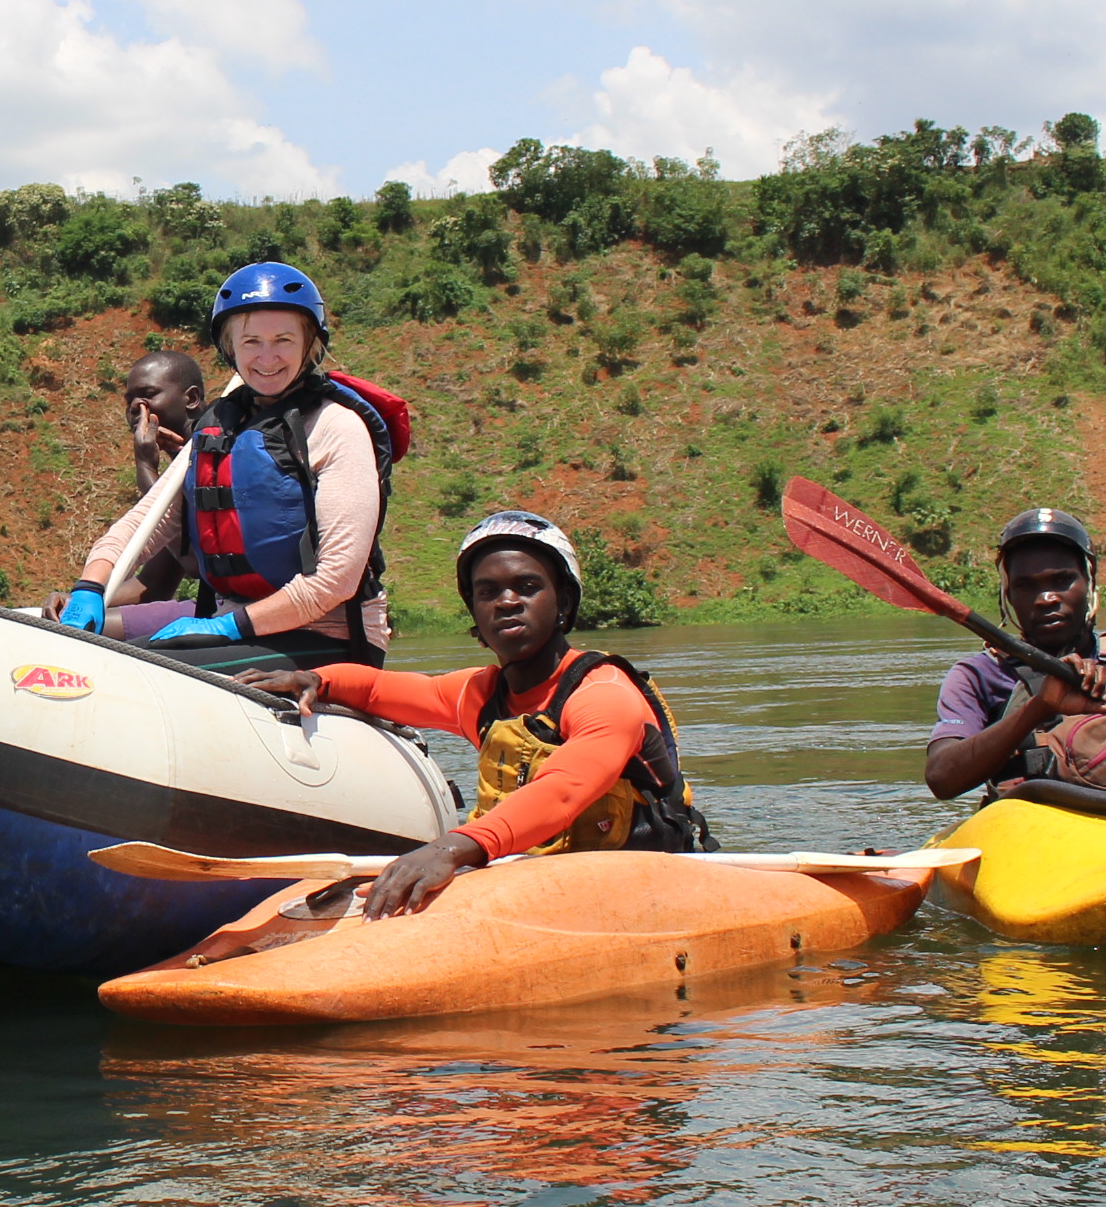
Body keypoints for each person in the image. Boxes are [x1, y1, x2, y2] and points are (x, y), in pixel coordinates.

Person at [233, 512, 713, 920]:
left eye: (527, 587)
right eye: (488, 592)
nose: (507, 601)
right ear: (475, 614)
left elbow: (562, 793)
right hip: (536, 880)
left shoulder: (604, 695)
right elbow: (380, 688)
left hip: (645, 884)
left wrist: (449, 849)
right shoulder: (481, 695)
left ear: (563, 603)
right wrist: (315, 679)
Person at [59, 264, 397, 669]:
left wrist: (230, 627)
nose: (267, 357)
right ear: (229, 347)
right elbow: (139, 526)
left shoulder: (338, 427)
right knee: (93, 653)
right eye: (251, 341)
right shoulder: (219, 427)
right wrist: (90, 585)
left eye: (283, 340)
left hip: (328, 634)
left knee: (137, 667)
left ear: (310, 344)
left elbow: (335, 581)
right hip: (232, 621)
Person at [924, 507, 1106, 800]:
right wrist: (1039, 708)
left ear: (1088, 583)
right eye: (1026, 586)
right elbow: (942, 780)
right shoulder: (978, 676)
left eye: (1062, 580)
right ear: (1009, 595)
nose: (1046, 599)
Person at [100, 348, 205, 632]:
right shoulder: (178, 462)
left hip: (235, 613)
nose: (136, 407)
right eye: (129, 400)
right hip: (211, 609)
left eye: (148, 394)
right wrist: (82, 598)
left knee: (85, 630)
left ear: (191, 399)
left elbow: (198, 564)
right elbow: (155, 584)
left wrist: (146, 469)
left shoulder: (217, 455)